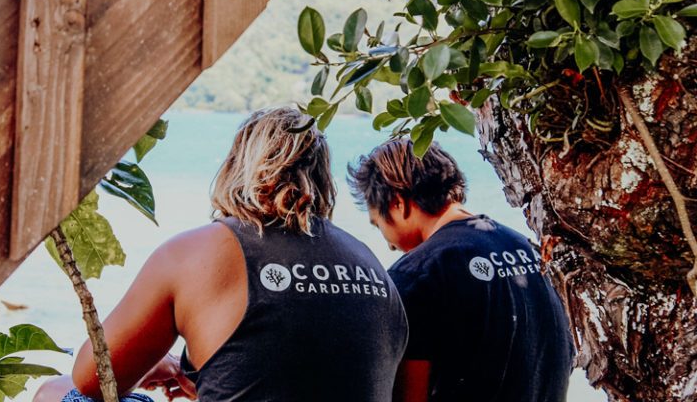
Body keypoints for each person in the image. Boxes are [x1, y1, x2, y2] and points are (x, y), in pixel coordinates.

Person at [35, 107, 408, 402]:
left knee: (53, 393)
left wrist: (155, 362)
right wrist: (199, 379)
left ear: (237, 169)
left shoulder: (197, 251)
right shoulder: (369, 262)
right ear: (323, 178)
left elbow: (91, 380)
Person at [347, 138, 574, 402]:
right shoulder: (524, 247)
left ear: (398, 203)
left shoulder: (417, 276)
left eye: (378, 224)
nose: (388, 244)